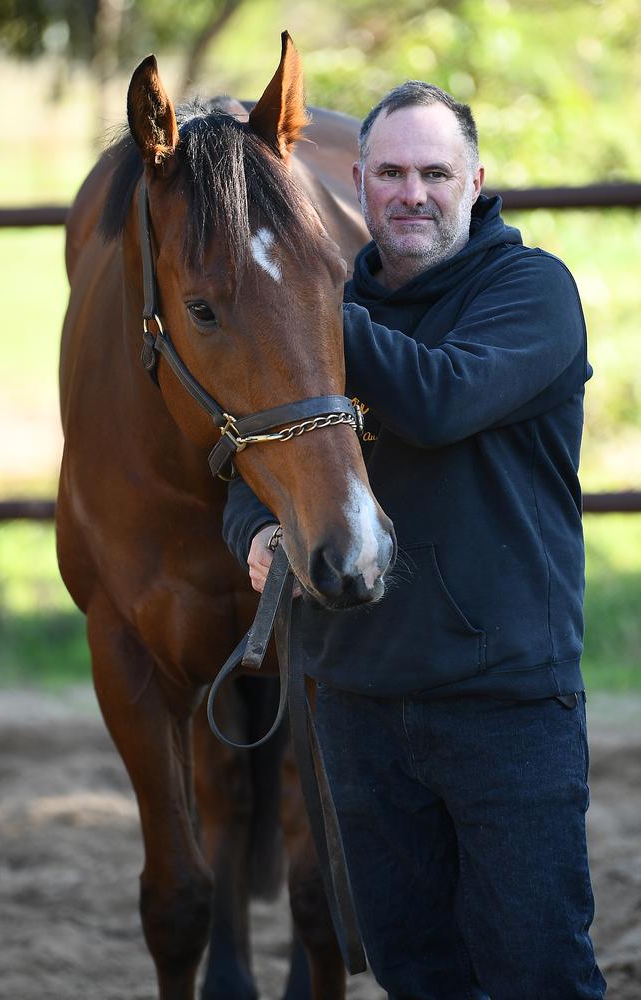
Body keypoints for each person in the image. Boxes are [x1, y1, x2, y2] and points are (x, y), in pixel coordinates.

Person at [223, 81, 606, 999]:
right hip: (353, 702)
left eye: (436, 172)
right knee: (415, 975)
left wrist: (298, 309)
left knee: (538, 972)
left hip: (503, 705)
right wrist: (256, 525)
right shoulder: (326, 314)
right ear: (357, 183)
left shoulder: (531, 292)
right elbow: (247, 450)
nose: (412, 193)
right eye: (390, 172)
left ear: (476, 182)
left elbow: (439, 400)